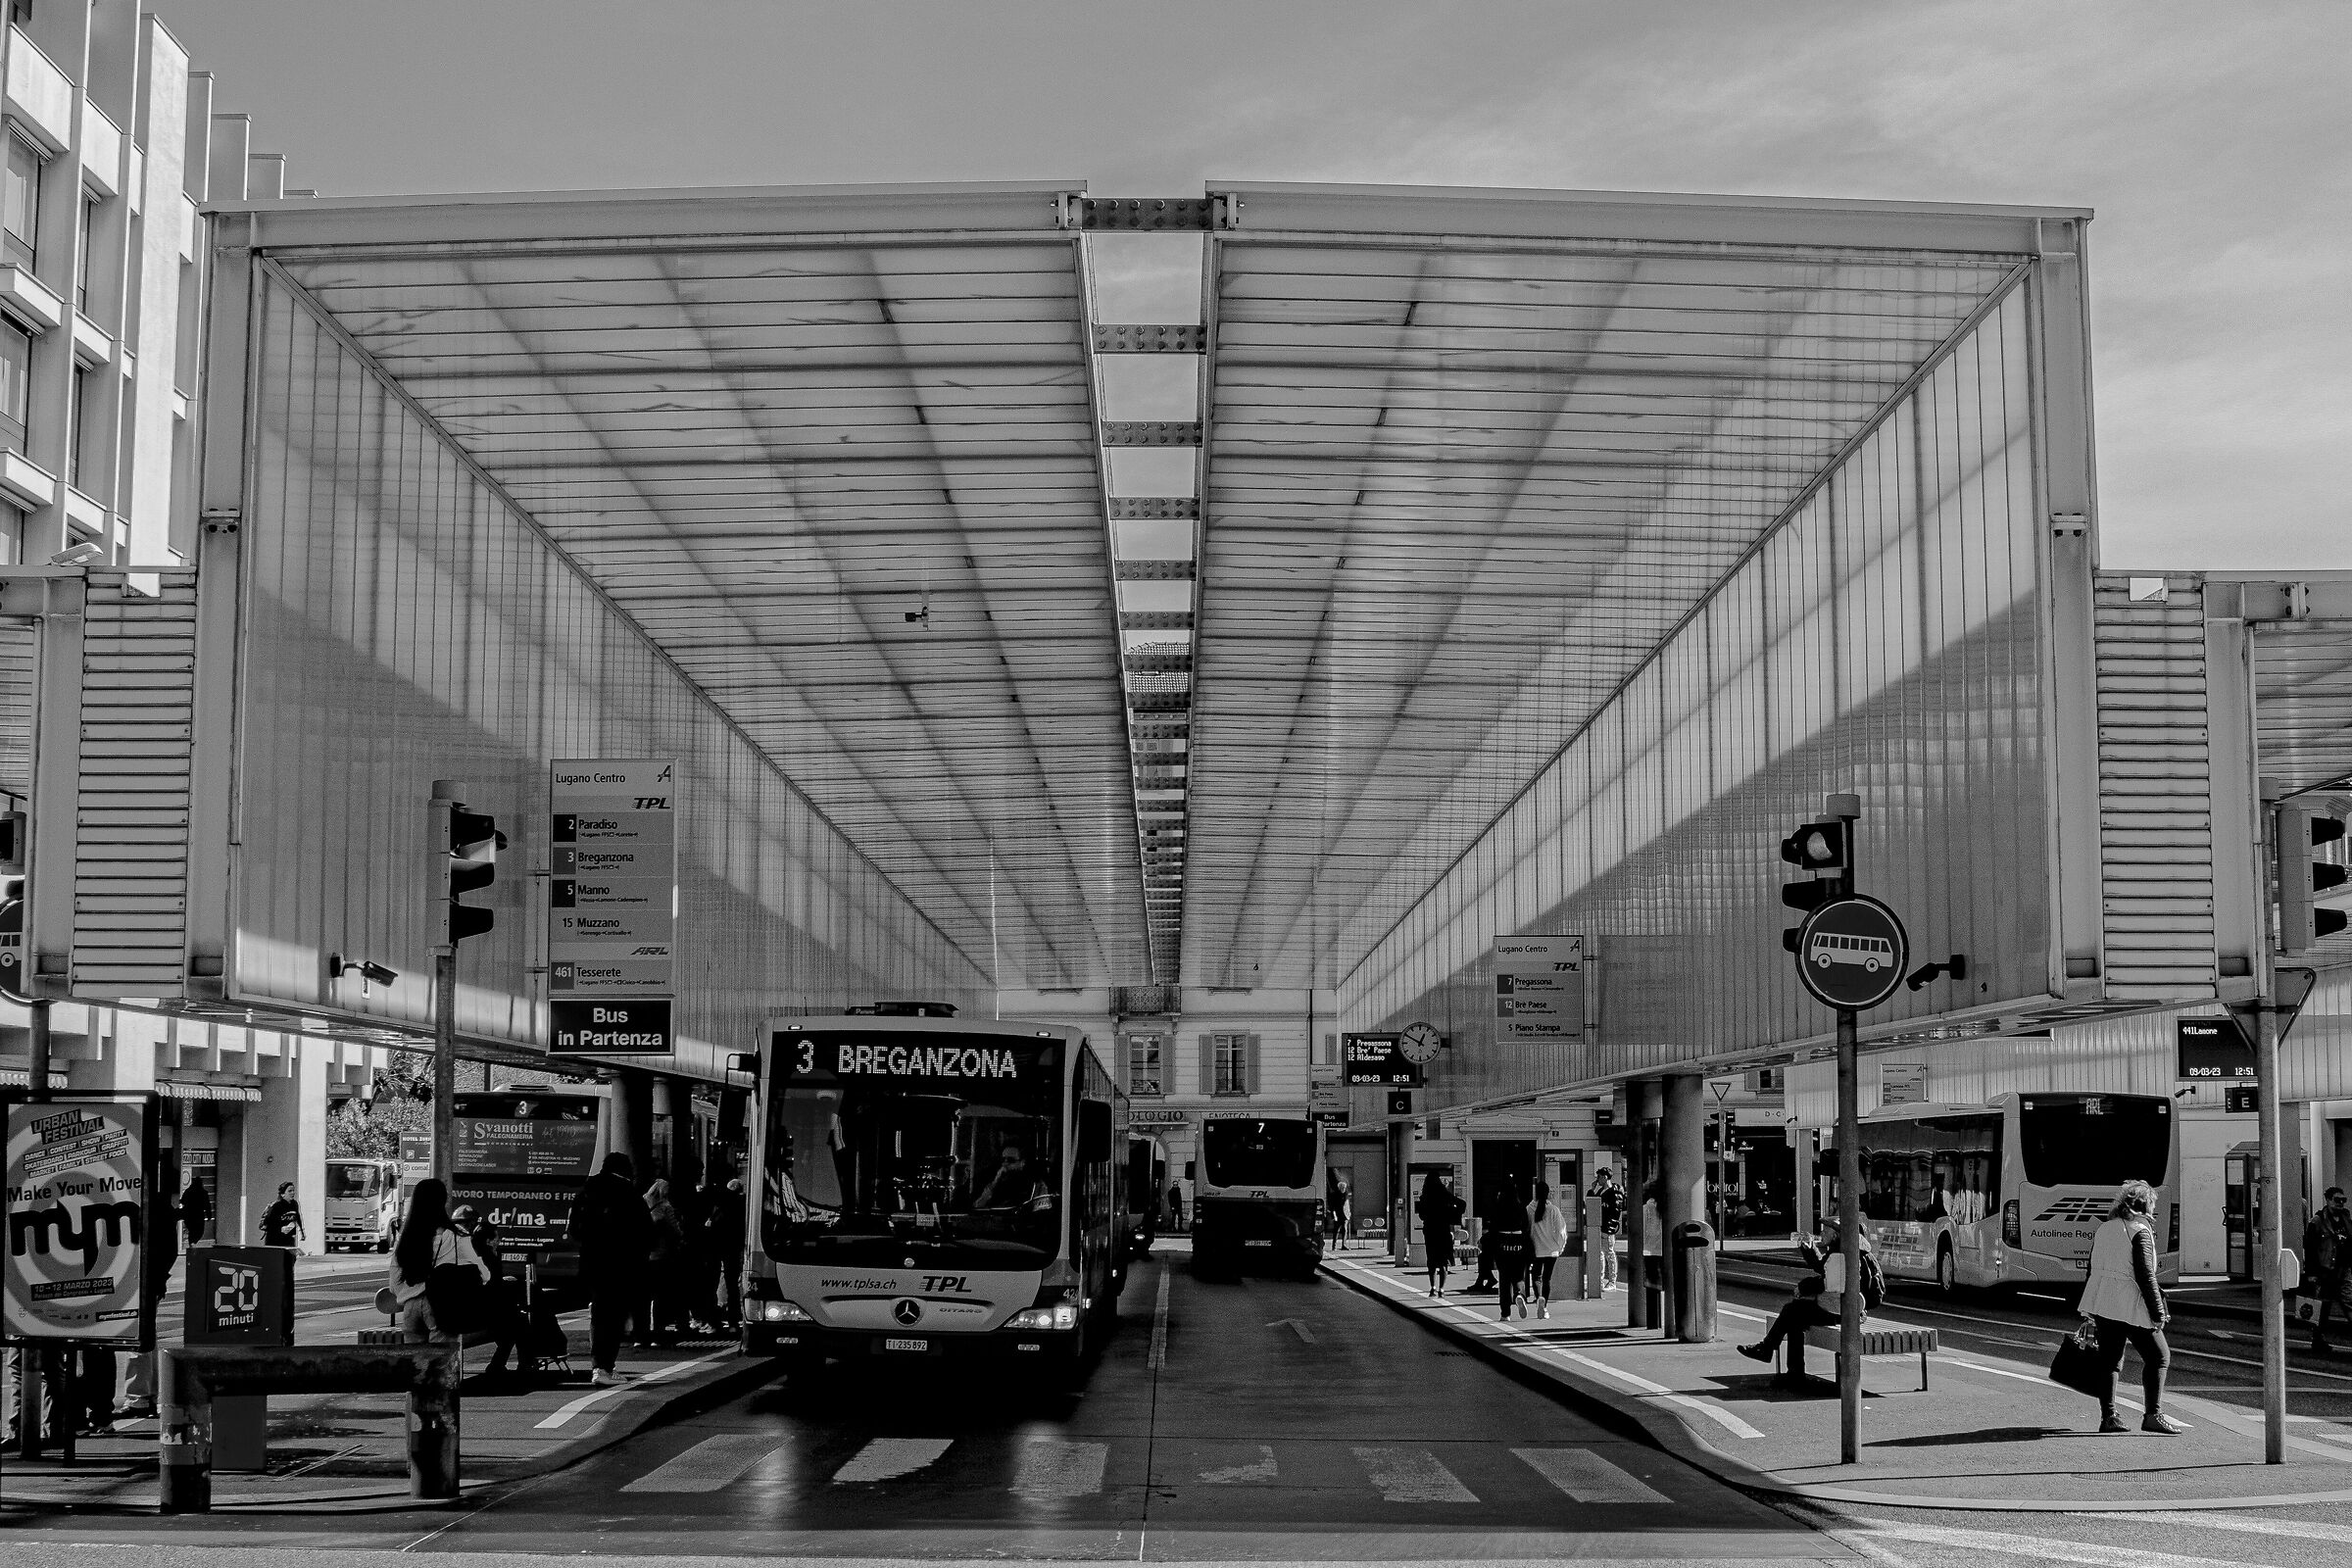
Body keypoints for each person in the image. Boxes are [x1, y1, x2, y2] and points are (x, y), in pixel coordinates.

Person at [2081, 1178, 2184, 1434]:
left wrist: (2091, 1303)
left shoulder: (2104, 1228)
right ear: (2145, 1206)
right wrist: (2158, 1311)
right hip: (2131, 1302)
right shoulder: (2140, 1231)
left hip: (2103, 1300)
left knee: (2110, 1361)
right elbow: (2145, 1275)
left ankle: (2109, 1417)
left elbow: (2092, 1267)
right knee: (2160, 1357)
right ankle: (2153, 1415)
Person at [1736, 1221, 1872, 1385]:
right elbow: (1823, 1269)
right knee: (1794, 1320)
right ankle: (1792, 1372)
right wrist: (1809, 1248)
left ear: (1835, 1234)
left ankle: (1768, 1351)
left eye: (1826, 1231)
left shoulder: (1842, 1255)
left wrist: (1803, 1287)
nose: (1822, 1234)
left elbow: (1829, 1282)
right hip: (1842, 1308)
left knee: (1791, 1310)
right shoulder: (1840, 1251)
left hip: (1841, 1311)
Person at [567, 1152, 653, 1388]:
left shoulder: (586, 1192)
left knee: (599, 1314)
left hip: (592, 1264)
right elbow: (645, 1232)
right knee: (614, 1317)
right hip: (621, 1266)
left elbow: (574, 1230)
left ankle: (598, 1366)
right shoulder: (629, 1194)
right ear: (626, 1170)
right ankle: (606, 1366)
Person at [389, 1179, 489, 1345]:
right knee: (441, 1364)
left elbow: (394, 1282)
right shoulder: (456, 1236)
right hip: (442, 1307)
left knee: (416, 1363)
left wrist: (409, 1294)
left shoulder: (407, 1238)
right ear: (443, 1201)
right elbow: (483, 1275)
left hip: (410, 1307)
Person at [456, 1206, 526, 1380]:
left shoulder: (464, 1246)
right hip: (474, 1312)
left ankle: (502, 1364)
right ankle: (522, 1365)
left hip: (469, 1309)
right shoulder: (478, 1254)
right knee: (517, 1322)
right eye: (496, 1238)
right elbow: (488, 1281)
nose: (499, 1242)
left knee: (514, 1322)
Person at [2302, 1187, 2352, 1355]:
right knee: (2322, 1308)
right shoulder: (2317, 1222)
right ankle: (2317, 1340)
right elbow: (2309, 1249)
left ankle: (2318, 1339)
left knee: (2349, 1302)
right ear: (2328, 1200)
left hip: (2344, 1270)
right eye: (2337, 1200)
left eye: (2343, 1200)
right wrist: (2311, 1273)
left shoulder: (2346, 1218)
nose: (2340, 1203)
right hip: (2325, 1271)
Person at [643, 1178, 692, 1344]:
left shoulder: (643, 1203)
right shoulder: (666, 1207)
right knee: (661, 1294)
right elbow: (676, 1230)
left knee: (644, 1295)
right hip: (663, 1255)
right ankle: (659, 1329)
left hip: (645, 1255)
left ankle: (642, 1332)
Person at [1486, 1177, 1534, 1320]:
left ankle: (1505, 1313)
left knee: (1504, 1279)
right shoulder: (1521, 1207)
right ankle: (1519, 1294)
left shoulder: (1498, 1207)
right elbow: (1526, 1227)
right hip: (1518, 1243)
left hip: (1502, 1243)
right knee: (1519, 1275)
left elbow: (1493, 1228)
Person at [1416, 1171, 1465, 1298]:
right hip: (1443, 1230)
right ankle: (1442, 1289)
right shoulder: (1444, 1195)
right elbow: (1462, 1204)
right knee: (1443, 1260)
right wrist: (1453, 1214)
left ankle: (1432, 1287)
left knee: (1431, 1260)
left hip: (1430, 1230)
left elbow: (1421, 1215)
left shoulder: (1424, 1197)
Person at [1528, 1178, 1569, 1319]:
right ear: (1548, 1193)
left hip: (1536, 1249)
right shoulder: (1553, 1210)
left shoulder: (1529, 1209)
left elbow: (1526, 1230)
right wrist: (1560, 1247)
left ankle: (1538, 1297)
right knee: (1547, 1279)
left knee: (1536, 1276)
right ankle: (1544, 1306)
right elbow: (1561, 1231)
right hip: (1552, 1250)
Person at [710, 1176, 748, 1330]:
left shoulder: (719, 1206)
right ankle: (734, 1317)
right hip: (734, 1247)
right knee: (733, 1283)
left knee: (716, 1281)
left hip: (718, 1247)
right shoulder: (741, 1205)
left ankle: (716, 1317)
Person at [1589, 1168, 1623, 1291]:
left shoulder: (1614, 1191)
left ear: (1605, 1177)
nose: (1597, 1180)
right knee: (1600, 1254)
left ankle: (1612, 1281)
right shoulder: (1601, 1191)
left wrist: (1610, 1227)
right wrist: (1592, 1190)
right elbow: (1592, 1204)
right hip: (1599, 1225)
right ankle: (1600, 1280)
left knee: (1609, 1253)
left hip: (1607, 1227)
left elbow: (1615, 1211)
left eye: (1599, 1177)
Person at [977, 1145, 1041, 1208]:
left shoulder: (1032, 1184)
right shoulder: (995, 1182)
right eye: (1003, 1160)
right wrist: (995, 1182)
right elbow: (977, 1206)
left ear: (1022, 1162)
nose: (1005, 1163)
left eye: (1011, 1160)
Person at [260, 1181, 306, 1250]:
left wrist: (302, 1231)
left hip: (289, 1238)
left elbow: (297, 1216)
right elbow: (267, 1224)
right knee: (278, 1259)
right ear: (282, 1194)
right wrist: (280, 1229)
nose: (293, 1193)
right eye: (290, 1191)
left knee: (290, 1259)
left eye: (293, 1190)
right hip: (275, 1240)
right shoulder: (276, 1206)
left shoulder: (294, 1204)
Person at [180, 1172, 213, 1250]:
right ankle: (192, 1243)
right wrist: (209, 1215)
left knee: (192, 1231)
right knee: (199, 1231)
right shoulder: (203, 1193)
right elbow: (207, 1205)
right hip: (198, 1216)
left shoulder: (188, 1191)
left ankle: (192, 1243)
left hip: (189, 1215)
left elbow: (183, 1201)